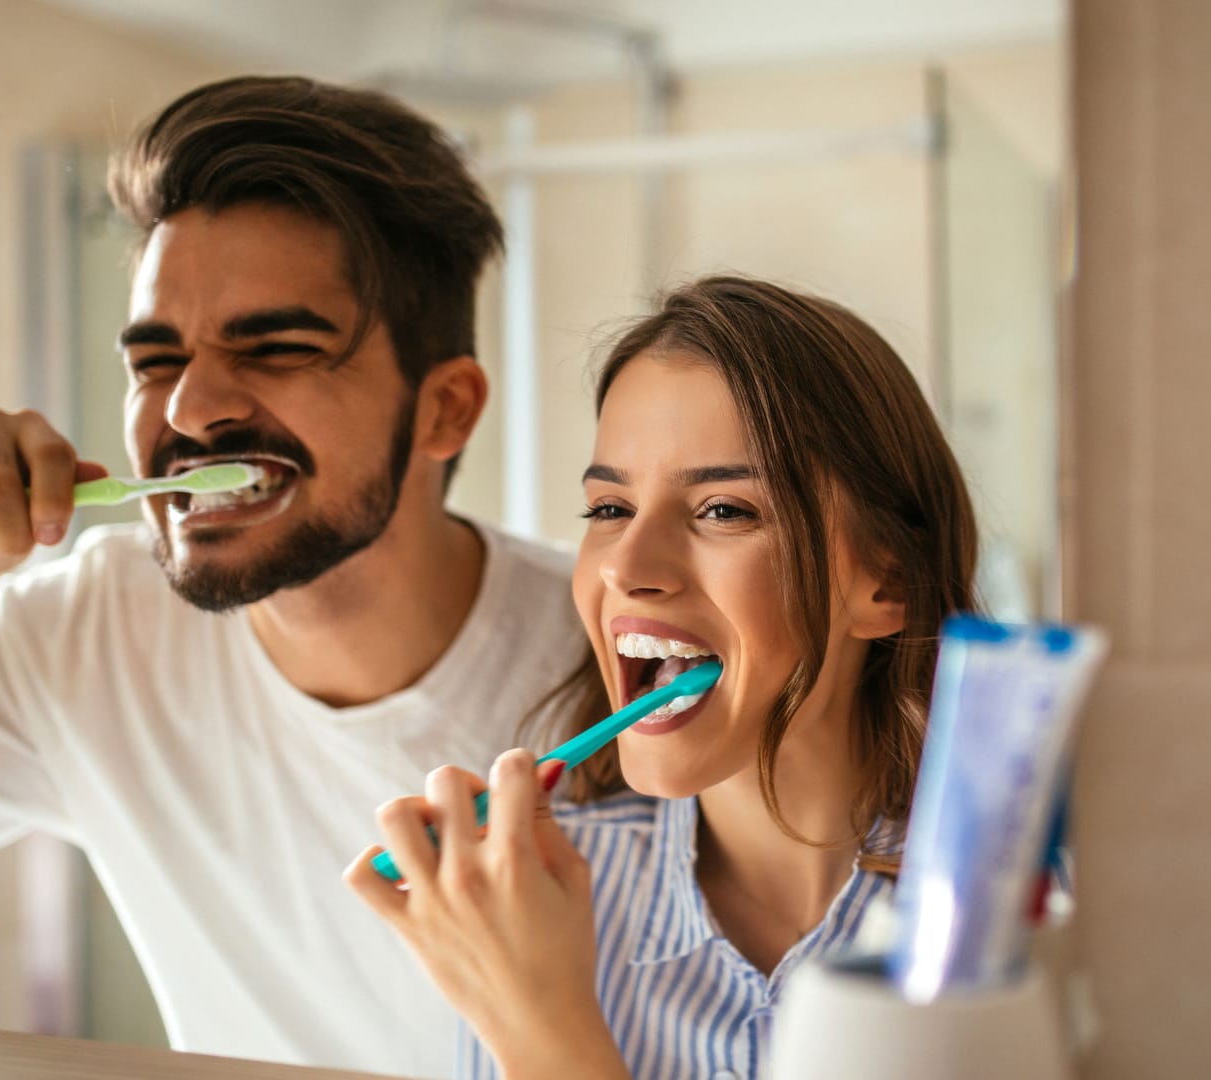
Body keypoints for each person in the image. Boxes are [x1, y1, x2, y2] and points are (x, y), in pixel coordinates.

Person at [0, 77, 585, 1076]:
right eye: (156, 362)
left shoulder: (615, 671)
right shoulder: (86, 632)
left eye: (276, 346)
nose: (191, 412)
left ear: (446, 410)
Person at [349, 275, 979, 1079]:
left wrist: (547, 1034)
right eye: (608, 510)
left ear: (885, 584)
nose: (627, 570)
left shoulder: (1013, 915)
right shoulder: (526, 907)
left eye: (724, 510)